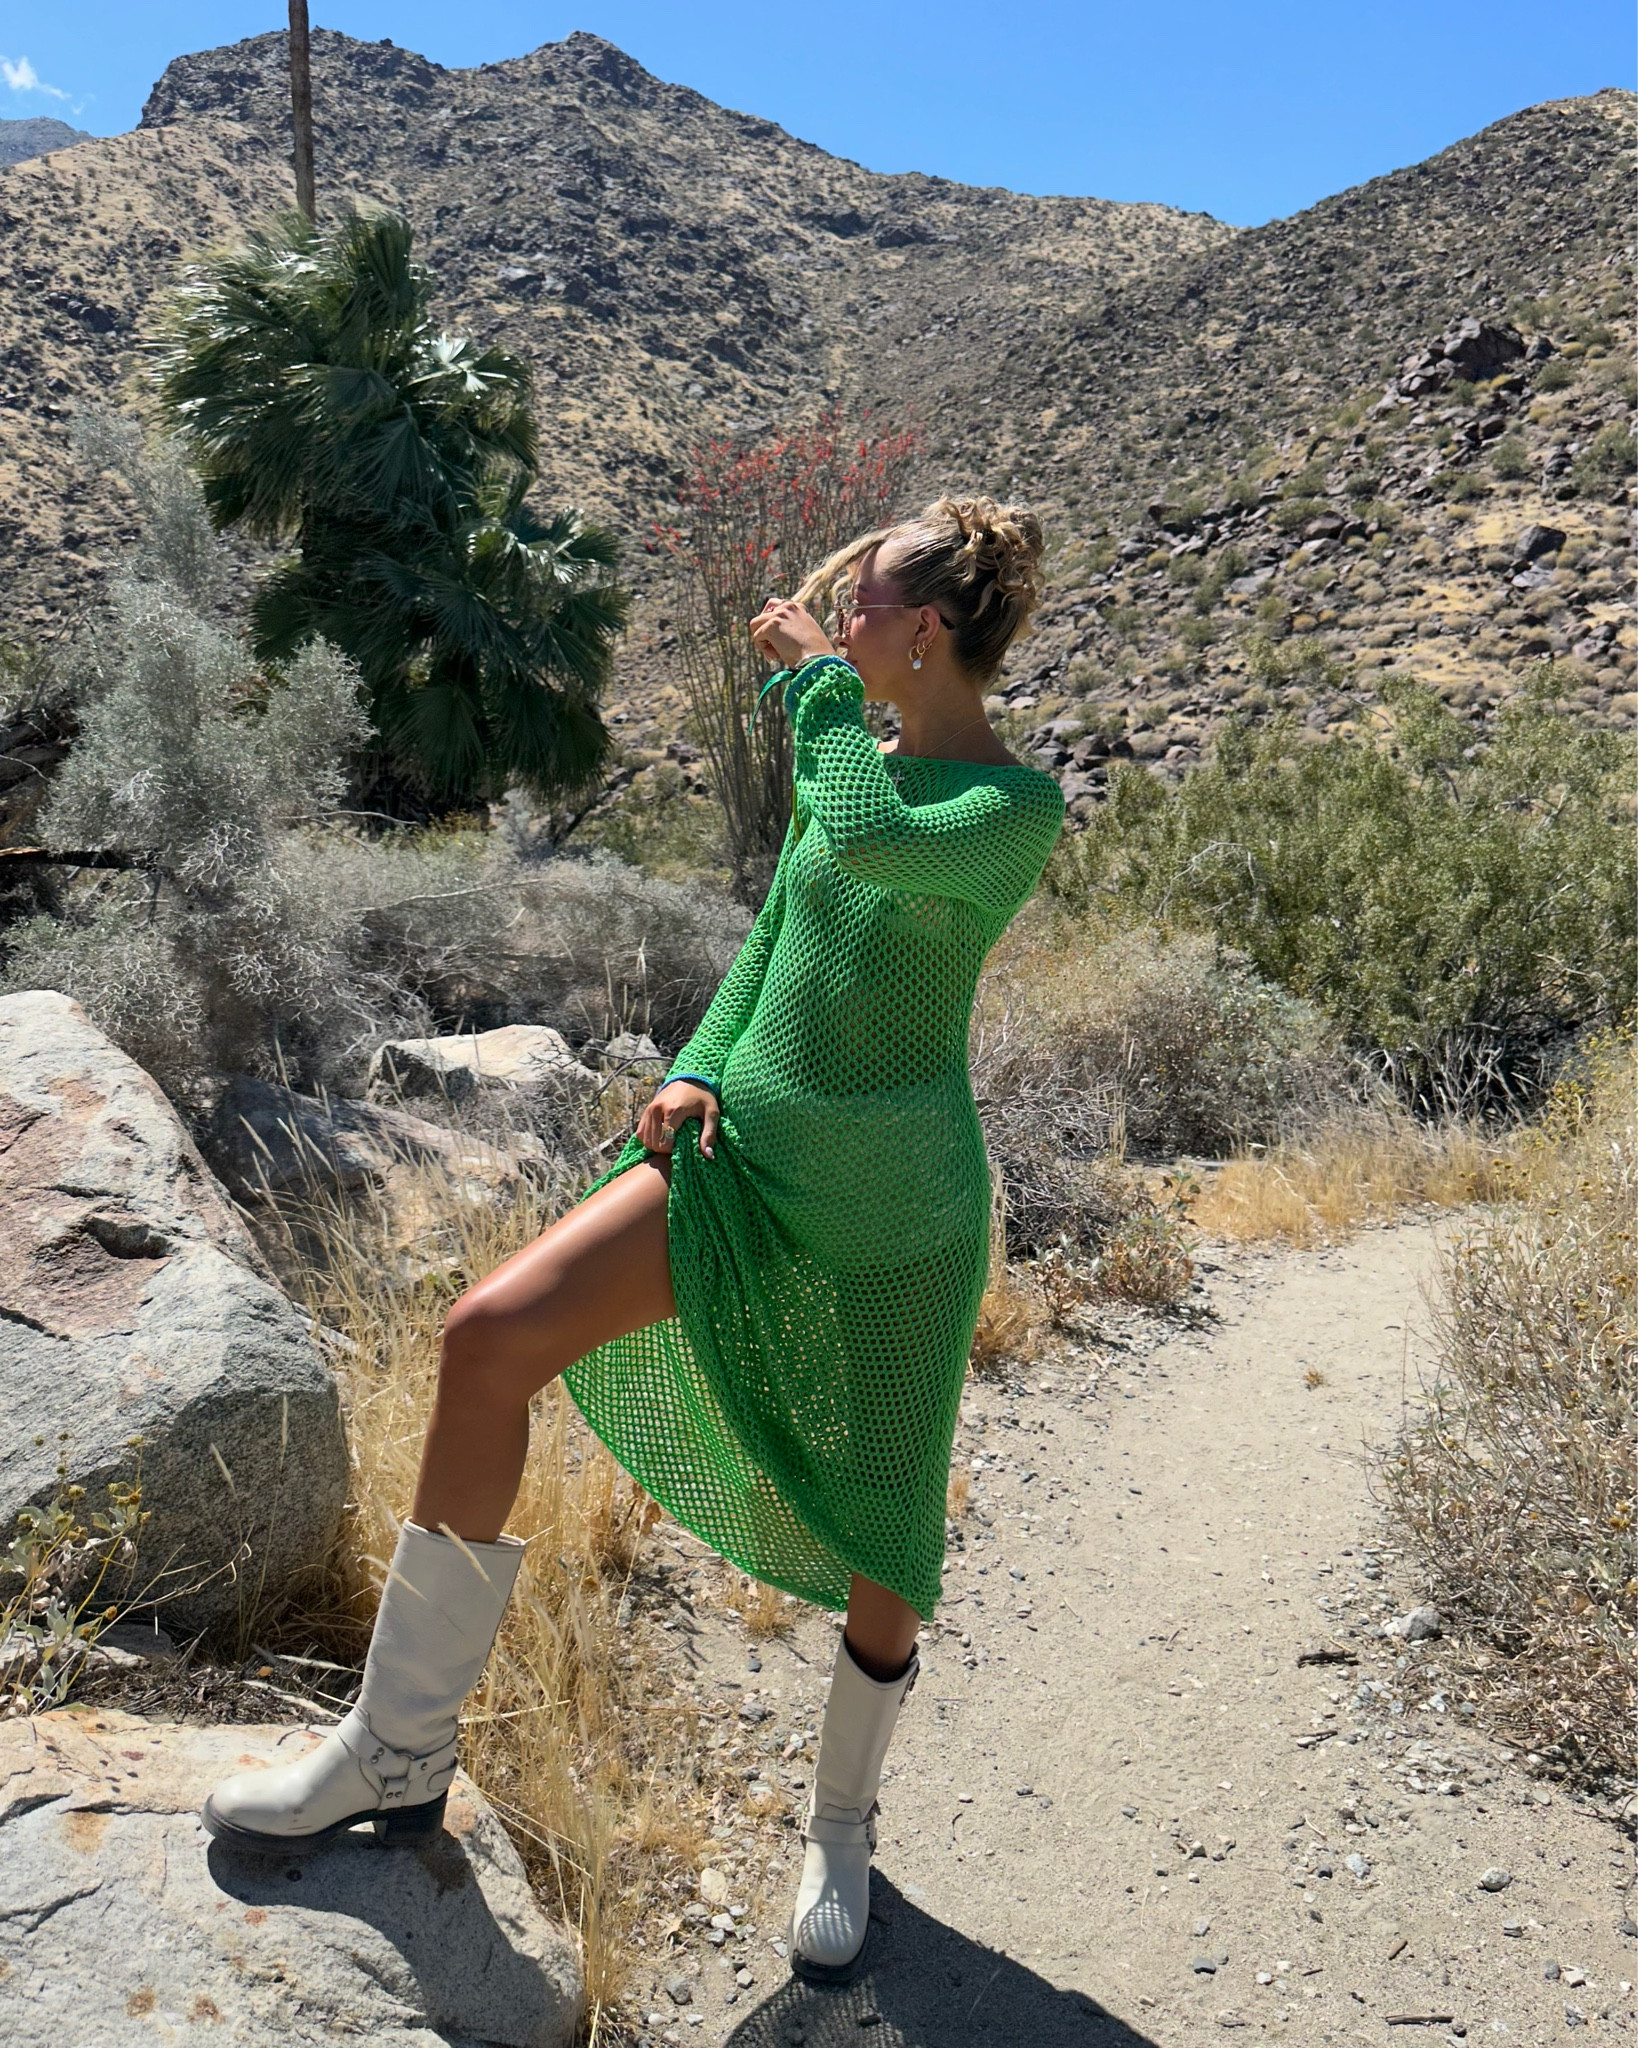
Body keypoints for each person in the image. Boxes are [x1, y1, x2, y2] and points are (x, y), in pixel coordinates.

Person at [203, 495, 1066, 1985]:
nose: (836, 621)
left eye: (858, 608)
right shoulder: (853, 749)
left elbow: (857, 840)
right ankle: (394, 1748)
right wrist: (697, 1063)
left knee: (884, 1537)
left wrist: (808, 685)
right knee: (487, 1336)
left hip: (897, 1223)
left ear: (920, 633)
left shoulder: (1001, 809)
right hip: (742, 1162)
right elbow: (780, 936)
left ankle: (840, 1825)